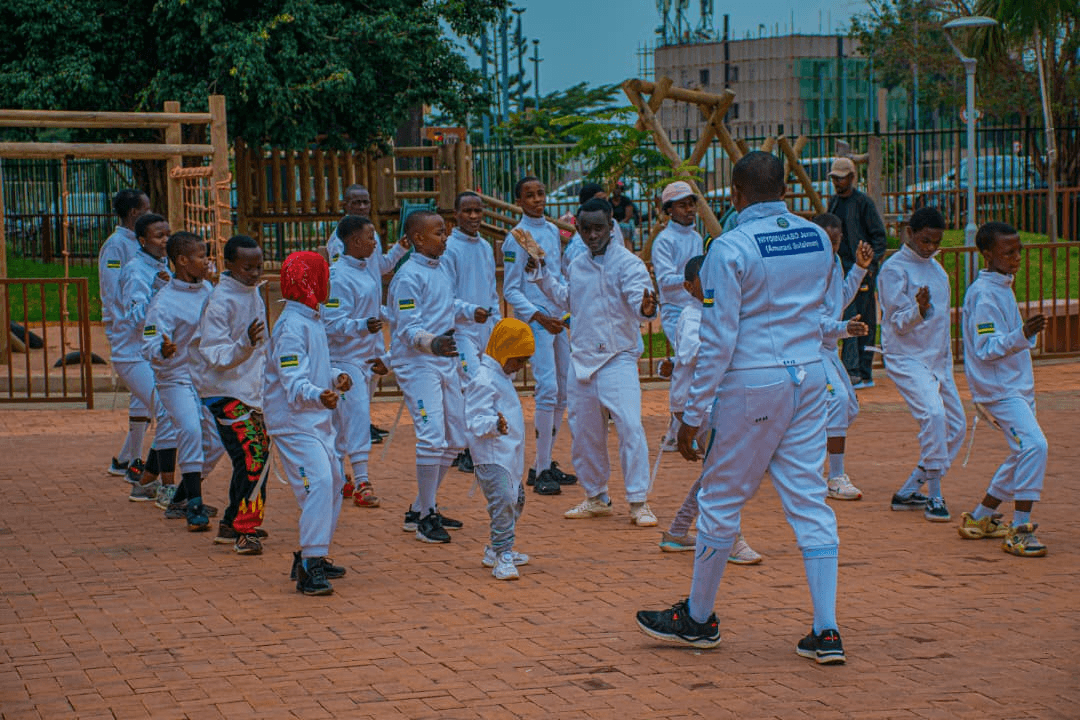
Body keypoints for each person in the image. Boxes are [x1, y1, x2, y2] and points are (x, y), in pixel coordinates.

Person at [636, 152, 846, 665]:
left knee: (720, 497)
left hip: (753, 379)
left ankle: (699, 619)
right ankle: (826, 630)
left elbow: (718, 338)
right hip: (808, 374)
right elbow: (823, 307)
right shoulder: (816, 237)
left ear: (735, 193)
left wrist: (692, 415)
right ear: (785, 189)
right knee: (809, 498)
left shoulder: (729, 247)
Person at [526, 197, 659, 527]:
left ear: (611, 226)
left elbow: (640, 302)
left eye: (599, 228)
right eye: (586, 229)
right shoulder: (577, 263)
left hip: (618, 357)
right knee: (584, 433)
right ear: (578, 229)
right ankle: (596, 496)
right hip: (582, 359)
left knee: (630, 427)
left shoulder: (629, 264)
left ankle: (638, 501)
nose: (592, 235)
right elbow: (568, 299)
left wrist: (645, 308)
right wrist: (542, 276)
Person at [656, 255, 762, 564]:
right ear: (689, 287)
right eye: (705, 279)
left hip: (709, 403)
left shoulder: (716, 312)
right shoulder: (692, 316)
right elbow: (693, 351)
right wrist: (727, 345)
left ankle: (678, 532)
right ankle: (730, 539)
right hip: (696, 406)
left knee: (716, 471)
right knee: (724, 472)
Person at [958, 222, 1048, 557]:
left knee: (1022, 451)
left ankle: (981, 516)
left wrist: (1022, 334)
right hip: (999, 390)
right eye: (1008, 252)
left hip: (1016, 386)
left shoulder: (1001, 286)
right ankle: (1020, 529)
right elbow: (986, 348)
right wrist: (1022, 334)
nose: (1017, 257)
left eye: (1018, 250)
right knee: (1035, 446)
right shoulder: (984, 295)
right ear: (987, 254)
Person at [264, 251, 351, 595]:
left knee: (334, 481)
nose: (328, 282)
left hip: (314, 417)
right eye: (323, 275)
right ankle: (309, 565)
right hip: (293, 421)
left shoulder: (311, 319)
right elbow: (293, 381)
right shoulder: (291, 326)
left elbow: (313, 368)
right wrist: (319, 395)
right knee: (319, 482)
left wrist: (335, 376)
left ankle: (315, 553)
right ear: (310, 281)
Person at [387, 210, 471, 543]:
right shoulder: (407, 277)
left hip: (444, 360)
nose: (445, 238)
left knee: (456, 438)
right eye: (439, 233)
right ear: (418, 239)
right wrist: (432, 343)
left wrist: (473, 312)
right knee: (432, 436)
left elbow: (448, 305)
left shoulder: (441, 268)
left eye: (445, 232)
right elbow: (407, 328)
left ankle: (422, 506)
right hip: (418, 365)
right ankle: (425, 519)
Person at [877, 206, 965, 523]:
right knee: (934, 415)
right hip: (907, 358)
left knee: (957, 426)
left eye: (936, 242)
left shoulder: (938, 271)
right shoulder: (893, 270)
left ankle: (910, 490)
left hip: (938, 360)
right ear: (910, 234)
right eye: (925, 240)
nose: (930, 247)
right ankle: (935, 495)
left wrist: (946, 363)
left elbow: (940, 325)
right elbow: (898, 322)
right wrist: (918, 309)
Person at [137, 232, 223, 532]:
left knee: (217, 440)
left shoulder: (208, 290)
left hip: (204, 378)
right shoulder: (163, 302)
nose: (207, 261)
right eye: (201, 256)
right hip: (174, 378)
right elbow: (149, 344)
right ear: (183, 261)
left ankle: (181, 497)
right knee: (189, 429)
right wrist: (162, 350)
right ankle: (194, 503)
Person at [194, 235, 272, 554]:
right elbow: (214, 352)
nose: (254, 274)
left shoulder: (253, 292)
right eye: (247, 268)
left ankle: (231, 521)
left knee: (251, 457)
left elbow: (262, 347)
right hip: (224, 392)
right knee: (255, 456)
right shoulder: (219, 301)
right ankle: (244, 529)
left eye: (258, 267)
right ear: (229, 264)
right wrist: (245, 345)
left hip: (251, 391)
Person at [502, 177, 575, 495]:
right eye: (529, 195)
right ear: (519, 201)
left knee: (564, 389)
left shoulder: (552, 231)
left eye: (540, 193)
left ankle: (542, 462)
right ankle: (541, 468)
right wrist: (539, 316)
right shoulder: (517, 238)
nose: (537, 200)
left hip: (556, 316)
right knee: (547, 389)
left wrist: (562, 310)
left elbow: (555, 275)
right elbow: (511, 289)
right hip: (536, 319)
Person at [324, 183, 407, 445]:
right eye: (356, 202)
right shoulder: (340, 241)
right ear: (345, 205)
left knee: (372, 373)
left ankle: (362, 421)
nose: (361, 206)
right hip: (354, 325)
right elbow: (343, 278)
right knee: (353, 379)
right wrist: (359, 321)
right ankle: (350, 428)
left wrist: (400, 249)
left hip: (371, 318)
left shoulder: (371, 235)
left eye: (365, 202)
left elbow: (379, 267)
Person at [323, 215, 390, 509]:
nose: (375, 243)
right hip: (344, 359)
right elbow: (331, 322)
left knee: (344, 422)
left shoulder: (365, 271)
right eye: (370, 237)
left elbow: (373, 310)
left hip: (365, 358)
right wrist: (361, 326)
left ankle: (339, 477)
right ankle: (361, 480)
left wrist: (380, 346)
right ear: (354, 241)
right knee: (357, 417)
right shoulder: (338, 277)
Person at [463, 318, 535, 580]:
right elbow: (474, 419)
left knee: (516, 500)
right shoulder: (484, 380)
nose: (520, 366)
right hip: (492, 456)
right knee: (503, 502)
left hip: (509, 455)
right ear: (504, 351)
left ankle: (495, 549)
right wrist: (494, 424)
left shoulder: (501, 377)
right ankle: (503, 553)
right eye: (518, 360)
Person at [116, 213, 180, 503]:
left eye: (168, 234)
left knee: (173, 413)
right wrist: (159, 290)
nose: (165, 240)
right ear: (143, 240)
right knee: (167, 411)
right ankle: (166, 485)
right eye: (158, 236)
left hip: (157, 353)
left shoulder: (163, 265)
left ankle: (145, 481)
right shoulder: (135, 270)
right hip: (134, 355)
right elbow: (135, 318)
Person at [812, 213, 874, 501]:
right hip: (809, 348)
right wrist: (844, 329)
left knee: (849, 407)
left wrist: (859, 269)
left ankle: (792, 451)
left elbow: (838, 302)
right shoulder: (806, 269)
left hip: (827, 347)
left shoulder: (835, 262)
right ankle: (835, 476)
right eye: (826, 242)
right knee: (836, 401)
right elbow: (811, 318)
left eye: (835, 243)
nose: (831, 248)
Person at [442, 192, 499, 475]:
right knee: (472, 383)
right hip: (461, 330)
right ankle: (467, 447)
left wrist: (496, 322)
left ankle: (480, 442)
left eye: (478, 211)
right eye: (467, 211)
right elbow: (445, 297)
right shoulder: (449, 248)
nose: (474, 216)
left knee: (488, 382)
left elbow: (491, 290)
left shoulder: (486, 246)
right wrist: (468, 310)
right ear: (456, 214)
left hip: (484, 327)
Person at [98, 189, 152, 477]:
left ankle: (128, 457)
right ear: (134, 213)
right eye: (147, 209)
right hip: (127, 330)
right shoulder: (116, 245)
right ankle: (140, 464)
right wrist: (126, 323)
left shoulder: (141, 245)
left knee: (143, 394)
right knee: (155, 397)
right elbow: (112, 290)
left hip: (144, 328)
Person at [651, 181, 705, 448]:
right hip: (675, 311)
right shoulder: (664, 241)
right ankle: (681, 431)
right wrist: (690, 278)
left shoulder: (696, 237)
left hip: (696, 309)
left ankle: (676, 432)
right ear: (669, 209)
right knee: (687, 364)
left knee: (689, 366)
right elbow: (664, 279)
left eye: (691, 204)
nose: (689, 210)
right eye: (682, 205)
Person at [827, 157, 888, 388]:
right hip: (840, 271)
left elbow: (879, 237)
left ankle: (863, 371)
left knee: (864, 319)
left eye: (841, 178)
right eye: (834, 178)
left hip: (861, 270)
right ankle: (850, 370)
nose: (837, 182)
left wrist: (869, 266)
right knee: (846, 318)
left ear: (852, 177)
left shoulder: (863, 203)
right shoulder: (833, 202)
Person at [609, 181, 640, 248]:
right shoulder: (609, 201)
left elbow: (628, 216)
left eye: (618, 188)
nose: (616, 190)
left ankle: (628, 247)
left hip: (624, 223)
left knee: (625, 227)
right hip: (612, 224)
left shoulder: (626, 200)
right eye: (615, 188)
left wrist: (619, 224)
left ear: (621, 190)